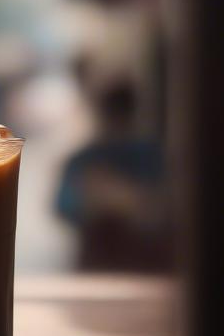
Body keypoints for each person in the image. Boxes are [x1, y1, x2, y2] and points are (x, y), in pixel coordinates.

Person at [55, 77, 168, 271]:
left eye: (119, 113)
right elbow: (64, 207)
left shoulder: (149, 155)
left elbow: (164, 210)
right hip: (98, 257)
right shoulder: (84, 158)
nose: (116, 120)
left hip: (142, 258)